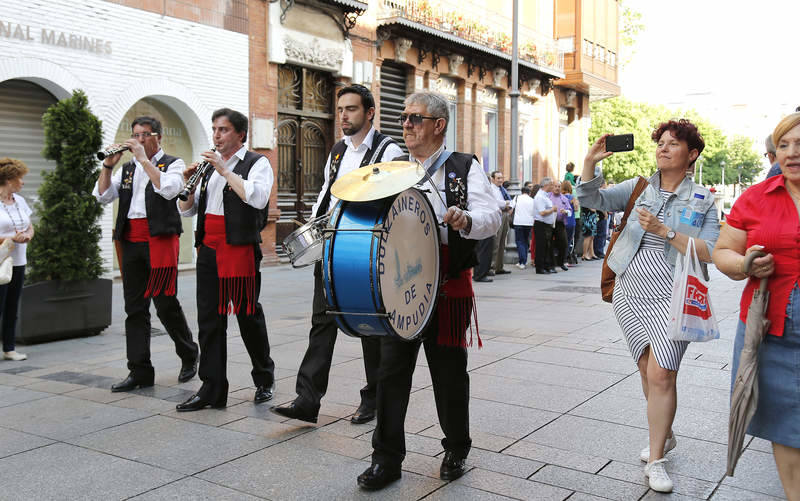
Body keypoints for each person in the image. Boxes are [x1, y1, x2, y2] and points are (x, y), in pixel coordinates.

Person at [357, 91, 500, 490]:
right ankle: (385, 460)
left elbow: (491, 215)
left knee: (449, 374)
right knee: (390, 374)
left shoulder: (463, 166)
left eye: (415, 118)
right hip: (401, 284)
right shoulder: (392, 167)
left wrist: (466, 218)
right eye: (403, 118)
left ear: (439, 125)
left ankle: (456, 447)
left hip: (448, 286)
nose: (405, 125)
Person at [576, 119, 719, 493]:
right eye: (661, 143)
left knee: (662, 374)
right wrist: (590, 162)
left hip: (674, 294)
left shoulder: (702, 198)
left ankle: (656, 460)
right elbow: (592, 200)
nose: (663, 148)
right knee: (646, 368)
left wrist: (665, 231)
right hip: (630, 291)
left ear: (692, 155)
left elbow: (713, 251)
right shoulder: (639, 188)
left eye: (673, 144)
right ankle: (665, 434)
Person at [272, 85, 403, 425]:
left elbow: (397, 199)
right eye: (341, 109)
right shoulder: (337, 152)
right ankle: (307, 399)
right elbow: (326, 195)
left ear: (370, 113)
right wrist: (315, 229)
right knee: (322, 321)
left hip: (364, 250)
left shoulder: (388, 150)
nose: (343, 115)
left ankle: (373, 399)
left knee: (371, 326)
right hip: (333, 246)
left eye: (351, 109)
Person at [713, 112, 800, 500]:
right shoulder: (755, 197)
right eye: (784, 145)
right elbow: (723, 253)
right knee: (785, 424)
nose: (792, 153)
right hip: (770, 326)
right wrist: (745, 263)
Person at [176, 108, 275, 411]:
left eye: (223, 130)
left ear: (240, 134)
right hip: (209, 248)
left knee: (247, 317)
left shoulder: (256, 163)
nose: (217, 136)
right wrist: (187, 185)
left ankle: (264, 378)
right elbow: (188, 210)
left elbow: (256, 198)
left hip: (239, 249)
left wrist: (224, 170)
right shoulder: (207, 168)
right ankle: (212, 388)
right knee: (209, 321)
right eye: (215, 129)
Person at [94, 116, 198, 391]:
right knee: (135, 308)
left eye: (144, 135)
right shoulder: (126, 168)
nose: (138, 141)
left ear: (158, 138)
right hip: (130, 241)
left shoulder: (172, 163)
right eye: (135, 135)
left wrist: (144, 160)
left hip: (160, 240)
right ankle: (139, 370)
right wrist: (107, 166)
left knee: (165, 302)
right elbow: (103, 196)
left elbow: (169, 190)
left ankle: (189, 354)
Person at [0, 159, 33, 362]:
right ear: (9, 180)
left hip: (18, 260)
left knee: (12, 306)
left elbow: (30, 225)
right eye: (20, 178)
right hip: (1, 261)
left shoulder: (19, 200)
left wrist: (27, 235)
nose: (22, 182)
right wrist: (10, 239)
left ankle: (9, 349)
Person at [489, 170, 513, 275]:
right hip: (498, 215)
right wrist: (506, 203)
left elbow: (507, 201)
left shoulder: (502, 189)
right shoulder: (492, 189)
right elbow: (496, 202)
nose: (500, 180)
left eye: (501, 178)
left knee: (503, 241)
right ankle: (491, 267)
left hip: (505, 214)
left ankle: (499, 266)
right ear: (493, 179)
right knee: (496, 242)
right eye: (498, 178)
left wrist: (509, 205)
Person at [532, 177, 558, 274]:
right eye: (551, 184)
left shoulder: (545, 196)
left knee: (547, 246)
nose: (553, 186)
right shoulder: (540, 197)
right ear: (546, 185)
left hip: (546, 224)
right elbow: (542, 212)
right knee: (541, 246)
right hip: (541, 224)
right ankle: (540, 267)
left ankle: (546, 265)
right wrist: (552, 209)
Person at [549, 181, 571, 271]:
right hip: (549, 223)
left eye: (559, 186)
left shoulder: (564, 198)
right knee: (549, 244)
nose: (557, 188)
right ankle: (551, 264)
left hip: (560, 223)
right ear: (552, 187)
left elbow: (569, 210)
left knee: (564, 243)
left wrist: (566, 211)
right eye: (555, 186)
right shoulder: (547, 196)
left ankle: (561, 262)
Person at [512, 185, 534, 269]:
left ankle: (522, 261)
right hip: (529, 223)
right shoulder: (532, 200)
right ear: (529, 193)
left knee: (519, 241)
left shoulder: (517, 198)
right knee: (525, 241)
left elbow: (511, 208)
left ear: (521, 192)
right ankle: (522, 261)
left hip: (518, 222)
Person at [561, 181, 580, 266]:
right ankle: (565, 259)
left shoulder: (560, 197)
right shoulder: (572, 198)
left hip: (561, 221)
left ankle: (560, 259)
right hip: (571, 221)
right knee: (568, 241)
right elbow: (576, 209)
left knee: (561, 240)